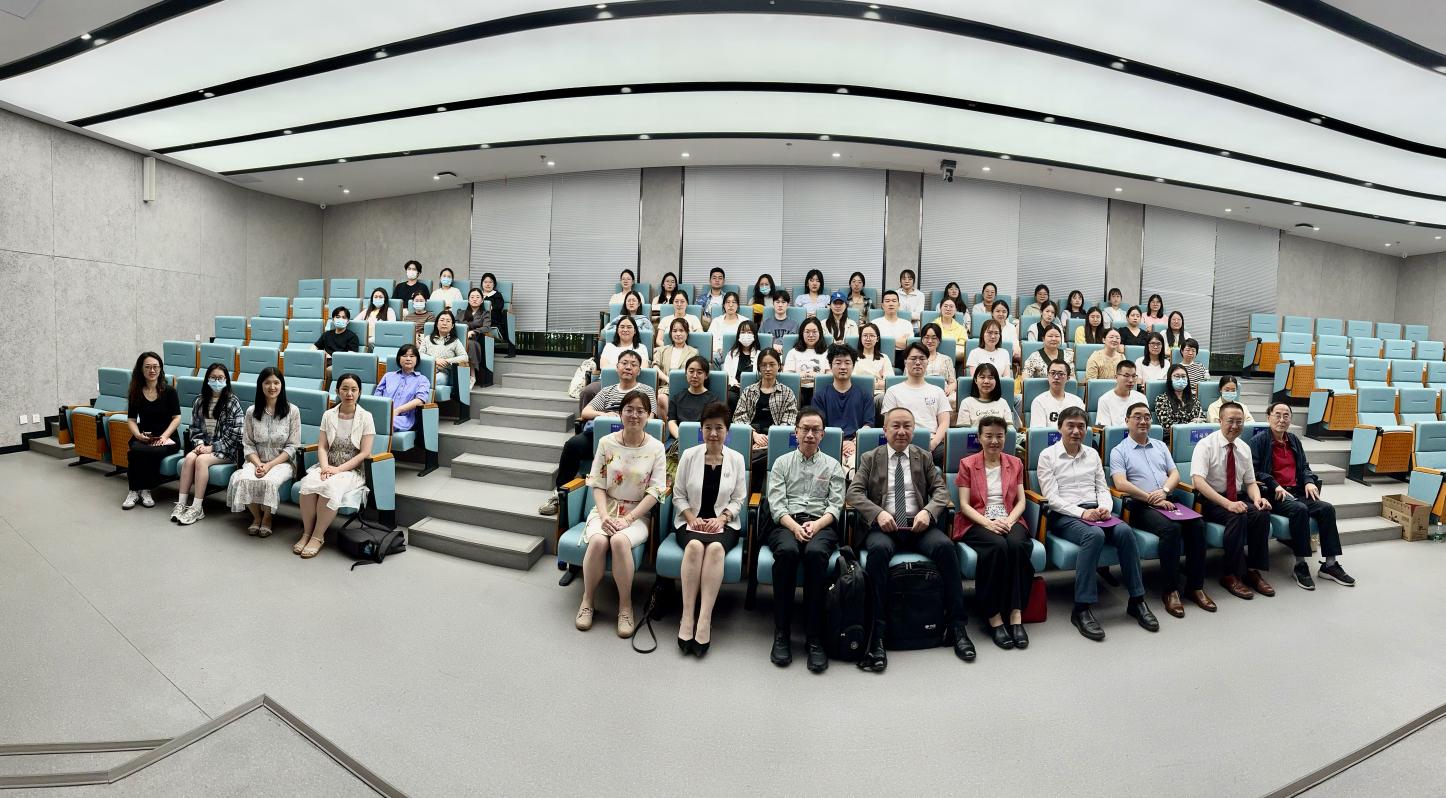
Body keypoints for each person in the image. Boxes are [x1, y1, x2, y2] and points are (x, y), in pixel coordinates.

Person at [853, 407, 975, 669]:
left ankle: (957, 627)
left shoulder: (923, 456)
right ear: (885, 429)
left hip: (917, 525)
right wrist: (877, 513)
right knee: (878, 553)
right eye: (895, 426)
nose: (901, 431)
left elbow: (941, 492)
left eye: (907, 426)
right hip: (884, 526)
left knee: (946, 547)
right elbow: (854, 493)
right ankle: (877, 635)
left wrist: (928, 512)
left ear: (914, 430)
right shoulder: (870, 457)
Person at [1038, 406, 1156, 640]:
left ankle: (1137, 600)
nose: (1076, 431)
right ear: (1060, 428)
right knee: (1094, 535)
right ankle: (1081, 608)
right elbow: (1052, 498)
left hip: (1096, 510)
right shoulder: (1047, 456)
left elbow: (1102, 488)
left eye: (1081, 426)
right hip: (1066, 515)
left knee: (1125, 532)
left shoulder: (1092, 454)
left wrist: (1105, 508)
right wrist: (1082, 514)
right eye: (1070, 426)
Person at [574, 390, 667, 639]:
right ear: (620, 413)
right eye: (629, 410)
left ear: (649, 415)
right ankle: (587, 600)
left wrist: (628, 519)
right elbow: (597, 483)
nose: (634, 415)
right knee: (598, 540)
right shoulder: (606, 442)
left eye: (640, 411)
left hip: (637, 514)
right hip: (605, 509)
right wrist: (604, 516)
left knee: (618, 540)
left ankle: (625, 607)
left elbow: (656, 491)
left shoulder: (656, 448)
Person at [1110, 402, 1212, 618]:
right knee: (1171, 529)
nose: (1143, 421)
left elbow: (1174, 474)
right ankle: (1170, 590)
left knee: (1197, 524)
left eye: (1147, 417)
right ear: (1127, 420)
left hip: (1166, 498)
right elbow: (1120, 483)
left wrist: (1164, 492)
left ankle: (1195, 587)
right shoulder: (1119, 450)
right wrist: (1151, 498)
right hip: (1140, 504)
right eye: (1137, 417)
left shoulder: (1160, 446)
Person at [764, 408, 845, 672]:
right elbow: (776, 505)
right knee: (787, 552)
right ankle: (782, 633)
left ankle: (814, 637)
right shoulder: (781, 463)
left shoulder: (833, 465)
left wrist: (816, 524)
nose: (810, 434)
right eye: (805, 429)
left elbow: (835, 506)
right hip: (786, 523)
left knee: (816, 554)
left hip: (821, 524)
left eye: (815, 430)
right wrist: (794, 526)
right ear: (796, 432)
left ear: (822, 434)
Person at [1251, 402, 1356, 589]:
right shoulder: (1259, 441)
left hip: (1297, 492)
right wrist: (1274, 485)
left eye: (1286, 416)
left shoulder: (1293, 440)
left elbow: (1304, 467)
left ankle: (1330, 565)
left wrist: (1308, 481)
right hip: (1274, 495)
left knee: (1327, 509)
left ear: (1290, 419)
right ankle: (1300, 564)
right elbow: (1255, 471)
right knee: (1299, 510)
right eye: (1277, 415)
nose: (1282, 420)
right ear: (1268, 417)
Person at [539, 350, 657, 516]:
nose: (628, 367)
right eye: (624, 363)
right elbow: (586, 412)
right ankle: (560, 495)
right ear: (617, 367)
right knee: (572, 445)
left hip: (632, 439)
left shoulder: (646, 391)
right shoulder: (607, 391)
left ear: (639, 370)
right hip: (601, 436)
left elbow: (650, 418)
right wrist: (604, 415)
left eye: (633, 364)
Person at [672, 400, 748, 657]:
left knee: (715, 549)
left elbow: (738, 499)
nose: (713, 433)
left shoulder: (736, 459)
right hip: (690, 521)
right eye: (708, 428)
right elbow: (678, 495)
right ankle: (687, 617)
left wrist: (722, 519)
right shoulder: (689, 455)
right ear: (701, 430)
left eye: (719, 428)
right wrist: (691, 517)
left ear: (727, 431)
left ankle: (704, 619)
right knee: (694, 546)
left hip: (724, 525)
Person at [954, 414, 1033, 649]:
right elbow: (964, 505)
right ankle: (994, 616)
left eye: (999, 436)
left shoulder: (1015, 463)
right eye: (988, 436)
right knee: (997, 546)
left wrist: (1008, 520)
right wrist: (989, 523)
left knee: (1017, 545)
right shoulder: (968, 464)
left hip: (1009, 517)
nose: (994, 441)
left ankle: (1016, 614)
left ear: (1006, 438)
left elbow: (1021, 501)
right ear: (979, 438)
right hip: (978, 520)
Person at [1191, 402, 1275, 600]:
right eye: (1230, 421)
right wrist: (1228, 504)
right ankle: (1231, 574)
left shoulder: (1244, 448)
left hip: (1236, 497)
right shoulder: (1205, 445)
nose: (1235, 426)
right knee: (1237, 515)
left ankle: (1252, 570)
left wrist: (1258, 499)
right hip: (1211, 499)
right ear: (1220, 420)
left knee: (1261, 513)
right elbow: (1198, 482)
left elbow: (1250, 482)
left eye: (1239, 421)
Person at [294, 372, 375, 559]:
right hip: (327, 465)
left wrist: (337, 470)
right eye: (345, 389)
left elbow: (364, 453)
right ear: (337, 391)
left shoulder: (366, 417)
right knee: (308, 484)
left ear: (359, 392)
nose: (349, 393)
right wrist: (324, 467)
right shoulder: (328, 414)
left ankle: (317, 536)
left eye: (354, 389)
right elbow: (322, 446)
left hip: (351, 470)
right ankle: (306, 532)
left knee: (330, 486)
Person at [226, 367, 301, 537]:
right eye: (267, 383)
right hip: (256, 460)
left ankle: (267, 518)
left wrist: (269, 466)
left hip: (282, 462)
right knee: (242, 479)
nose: (272, 387)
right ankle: (257, 516)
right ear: (261, 385)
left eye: (276, 383)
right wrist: (259, 464)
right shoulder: (251, 412)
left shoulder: (293, 411)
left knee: (269, 481)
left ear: (282, 385)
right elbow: (248, 444)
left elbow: (292, 446)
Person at [171, 362, 244, 525]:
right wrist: (198, 444)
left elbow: (237, 435)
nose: (217, 381)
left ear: (226, 380)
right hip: (204, 447)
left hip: (227, 450)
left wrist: (212, 448)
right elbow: (194, 428)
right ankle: (181, 504)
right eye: (213, 378)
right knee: (189, 458)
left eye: (220, 378)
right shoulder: (200, 401)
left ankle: (197, 507)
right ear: (207, 379)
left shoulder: (232, 402)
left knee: (201, 460)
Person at [122, 352, 181, 510]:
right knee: (136, 450)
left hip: (167, 438)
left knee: (143, 452)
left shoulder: (169, 391)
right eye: (148, 367)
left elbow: (177, 418)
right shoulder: (135, 392)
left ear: (161, 369)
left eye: (155, 367)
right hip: (145, 436)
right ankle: (136, 491)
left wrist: (164, 437)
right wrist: (137, 435)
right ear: (141, 370)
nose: (152, 370)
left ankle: (143, 489)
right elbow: (131, 420)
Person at [734, 349, 798, 484]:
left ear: (779, 366)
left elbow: (790, 421)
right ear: (758, 367)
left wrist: (770, 439)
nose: (768, 369)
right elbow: (739, 417)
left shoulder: (787, 393)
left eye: (772, 364)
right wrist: (754, 435)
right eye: (763, 365)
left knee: (760, 458)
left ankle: (756, 492)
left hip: (776, 439)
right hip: (752, 438)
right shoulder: (749, 391)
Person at [882, 343, 949, 467]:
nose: (918, 362)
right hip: (902, 441)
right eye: (913, 358)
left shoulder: (938, 391)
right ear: (905, 362)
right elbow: (889, 422)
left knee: (950, 454)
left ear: (927, 362)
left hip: (932, 443)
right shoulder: (893, 391)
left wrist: (933, 444)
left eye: (922, 358)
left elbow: (944, 422)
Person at [811, 344, 874, 470]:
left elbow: (869, 424)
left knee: (857, 467)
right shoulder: (820, 397)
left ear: (853, 366)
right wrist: (838, 443)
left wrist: (854, 443)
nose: (843, 367)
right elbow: (818, 426)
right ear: (830, 366)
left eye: (847, 363)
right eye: (838, 363)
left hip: (856, 446)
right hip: (829, 445)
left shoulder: (865, 395)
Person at [420, 311, 469, 421]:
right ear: (437, 323)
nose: (444, 323)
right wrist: (435, 360)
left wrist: (447, 361)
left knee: (426, 382)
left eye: (448, 321)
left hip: (443, 374)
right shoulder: (427, 339)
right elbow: (419, 354)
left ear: (452, 326)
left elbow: (464, 357)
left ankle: (424, 414)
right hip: (426, 372)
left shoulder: (455, 341)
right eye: (442, 320)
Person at [375, 344, 432, 435]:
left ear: (417, 359)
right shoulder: (388, 376)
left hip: (406, 419)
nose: (408, 359)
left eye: (412, 356)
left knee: (385, 422)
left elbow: (420, 400)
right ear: (399, 358)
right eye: (404, 356)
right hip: (383, 415)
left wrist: (398, 410)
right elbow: (377, 398)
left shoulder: (422, 379)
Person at [653, 318, 700, 421]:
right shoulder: (662, 350)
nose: (678, 334)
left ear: (687, 333)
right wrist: (667, 379)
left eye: (681, 330)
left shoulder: (693, 352)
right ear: (671, 333)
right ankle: (670, 425)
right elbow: (655, 368)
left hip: (684, 387)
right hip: (665, 387)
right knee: (661, 397)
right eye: (675, 331)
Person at [667, 356, 714, 442]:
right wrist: (681, 439)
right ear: (686, 373)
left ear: (706, 375)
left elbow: (713, 426)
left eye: (699, 372)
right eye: (691, 371)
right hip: (678, 439)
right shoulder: (677, 398)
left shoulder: (713, 400)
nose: (694, 376)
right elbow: (671, 422)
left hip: (703, 441)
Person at [460, 287, 498, 389]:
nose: (474, 299)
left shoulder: (485, 313)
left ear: (482, 300)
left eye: (477, 297)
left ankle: (472, 376)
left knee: (470, 344)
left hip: (476, 339)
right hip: (460, 338)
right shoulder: (461, 313)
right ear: (468, 300)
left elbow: (486, 327)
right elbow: (454, 325)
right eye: (472, 297)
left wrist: (473, 332)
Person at [785, 317, 830, 402]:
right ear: (802, 333)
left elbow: (830, 375)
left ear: (820, 333)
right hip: (798, 390)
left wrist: (816, 376)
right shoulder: (793, 352)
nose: (811, 335)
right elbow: (787, 376)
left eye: (814, 332)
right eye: (807, 332)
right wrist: (801, 375)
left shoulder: (826, 353)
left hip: (820, 391)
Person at [1028, 361, 1084, 430]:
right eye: (1052, 373)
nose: (1056, 377)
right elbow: (1038, 432)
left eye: (1061, 374)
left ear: (1068, 378)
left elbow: (1082, 429)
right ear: (1048, 376)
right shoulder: (1039, 402)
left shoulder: (1077, 402)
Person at [957, 362, 1013, 427]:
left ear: (996, 381)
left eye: (990, 378)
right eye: (982, 377)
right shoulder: (966, 403)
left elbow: (1010, 429)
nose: (986, 381)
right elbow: (964, 431)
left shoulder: (1003, 403)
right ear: (975, 380)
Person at [1153, 364, 1203, 434]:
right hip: (1172, 437)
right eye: (1177, 376)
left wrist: (1200, 421)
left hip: (1193, 436)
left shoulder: (1194, 399)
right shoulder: (1161, 399)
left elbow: (1202, 418)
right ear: (1170, 379)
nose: (1181, 379)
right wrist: (1189, 425)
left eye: (1183, 376)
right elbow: (1166, 425)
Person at [720, 320, 762, 400]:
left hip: (753, 389)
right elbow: (726, 374)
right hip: (735, 388)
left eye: (749, 332)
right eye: (743, 332)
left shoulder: (759, 355)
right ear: (738, 335)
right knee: (730, 397)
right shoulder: (731, 354)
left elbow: (761, 375)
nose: (746, 335)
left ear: (754, 335)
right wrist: (734, 383)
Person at [477, 272, 515, 358]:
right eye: (485, 282)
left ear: (494, 284)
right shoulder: (478, 295)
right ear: (482, 283)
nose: (488, 284)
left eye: (490, 282)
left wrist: (490, 307)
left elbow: (499, 307)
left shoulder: (497, 295)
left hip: (493, 321)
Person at [919, 323, 957, 406]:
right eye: (926, 337)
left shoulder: (946, 359)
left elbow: (953, 382)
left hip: (944, 393)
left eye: (934, 338)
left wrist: (949, 389)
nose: (930, 341)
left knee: (954, 399)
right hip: (921, 391)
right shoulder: (915, 359)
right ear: (922, 339)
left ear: (939, 340)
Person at [314, 306, 360, 373]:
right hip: (324, 361)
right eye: (338, 317)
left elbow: (351, 356)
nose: (340, 319)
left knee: (329, 370)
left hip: (340, 363)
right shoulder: (326, 334)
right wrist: (323, 353)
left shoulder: (352, 336)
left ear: (347, 321)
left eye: (343, 317)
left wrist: (333, 358)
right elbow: (314, 347)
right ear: (333, 320)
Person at [1095, 360, 1140, 428]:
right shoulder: (1104, 400)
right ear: (1116, 377)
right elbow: (1104, 429)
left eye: (1133, 376)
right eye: (1126, 376)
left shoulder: (1141, 398)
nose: (1131, 380)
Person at [853, 323, 894, 395]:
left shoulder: (884, 358)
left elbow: (890, 383)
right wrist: (878, 382)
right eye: (865, 335)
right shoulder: (853, 357)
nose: (868, 339)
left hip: (880, 395)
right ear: (861, 338)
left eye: (872, 335)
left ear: (877, 339)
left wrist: (867, 384)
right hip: (860, 394)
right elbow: (853, 382)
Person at [707, 292, 746, 361]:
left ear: (738, 305)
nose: (731, 305)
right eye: (728, 302)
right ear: (723, 305)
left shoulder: (744, 322)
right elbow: (710, 340)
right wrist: (719, 350)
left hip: (739, 355)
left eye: (734, 302)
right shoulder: (716, 321)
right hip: (718, 355)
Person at [873, 290, 914, 354]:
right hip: (880, 355)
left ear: (898, 305)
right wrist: (900, 341)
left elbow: (909, 344)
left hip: (902, 355)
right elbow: (873, 344)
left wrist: (883, 341)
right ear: (882, 305)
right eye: (887, 301)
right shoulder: (874, 323)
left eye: (894, 301)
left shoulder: (907, 324)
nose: (891, 304)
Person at [935, 297, 970, 362]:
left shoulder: (961, 328)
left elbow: (963, 347)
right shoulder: (934, 325)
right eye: (945, 306)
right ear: (940, 308)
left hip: (956, 359)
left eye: (951, 306)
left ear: (955, 310)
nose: (948, 309)